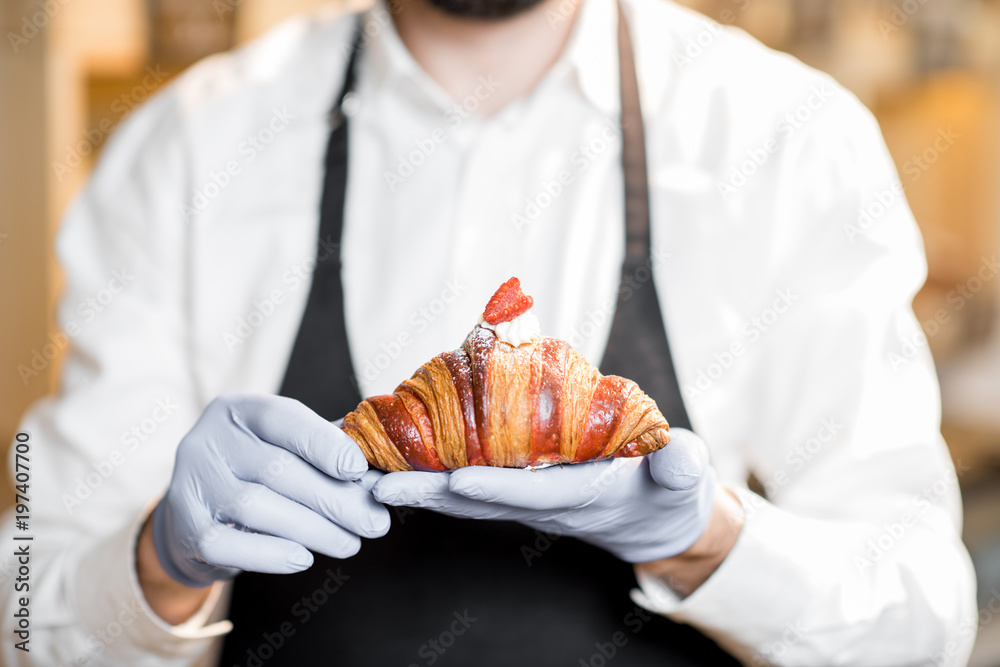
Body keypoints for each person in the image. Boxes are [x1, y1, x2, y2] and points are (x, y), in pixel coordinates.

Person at [1, 0, 978, 663]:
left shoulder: (782, 142)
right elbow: (23, 602)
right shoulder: (187, 152)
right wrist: (157, 564)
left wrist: (708, 544)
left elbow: (924, 621)